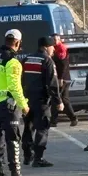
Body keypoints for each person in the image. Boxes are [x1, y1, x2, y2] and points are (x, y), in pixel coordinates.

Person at [0, 29, 30, 176]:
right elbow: (14, 86)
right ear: (17, 43)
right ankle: (16, 174)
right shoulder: (13, 61)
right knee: (13, 138)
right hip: (9, 105)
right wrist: (24, 105)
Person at [21, 37, 62, 167]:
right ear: (45, 47)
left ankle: (27, 155)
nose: (54, 50)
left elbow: (20, 79)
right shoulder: (47, 61)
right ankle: (38, 158)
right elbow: (52, 83)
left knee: (28, 127)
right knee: (42, 128)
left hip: (26, 99)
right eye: (52, 47)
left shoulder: (26, 59)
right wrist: (58, 101)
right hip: (41, 100)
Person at [50, 33, 78, 127]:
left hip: (62, 78)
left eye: (56, 39)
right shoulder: (53, 48)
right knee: (63, 99)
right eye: (53, 39)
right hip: (60, 77)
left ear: (59, 39)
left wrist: (60, 78)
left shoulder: (61, 48)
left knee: (57, 98)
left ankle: (54, 121)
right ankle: (72, 118)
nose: (54, 41)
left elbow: (63, 65)